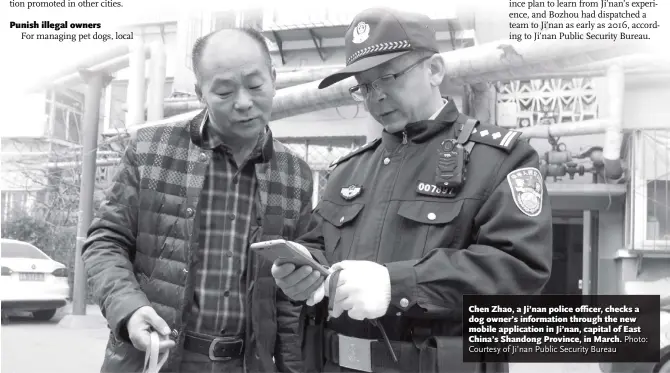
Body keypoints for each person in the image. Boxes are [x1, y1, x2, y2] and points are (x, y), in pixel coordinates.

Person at [271, 7, 553, 373]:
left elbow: (520, 269)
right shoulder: (348, 170)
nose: (377, 97)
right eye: (365, 86)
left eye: (389, 77)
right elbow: (320, 246)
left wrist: (398, 285)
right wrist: (302, 269)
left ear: (434, 70)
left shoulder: (498, 160)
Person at [82, 27, 313, 373]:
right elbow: (104, 241)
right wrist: (128, 309)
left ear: (274, 78)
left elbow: (293, 297)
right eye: (223, 91)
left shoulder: (296, 175)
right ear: (199, 93)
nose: (244, 102)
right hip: (157, 358)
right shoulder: (151, 150)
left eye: (255, 85)